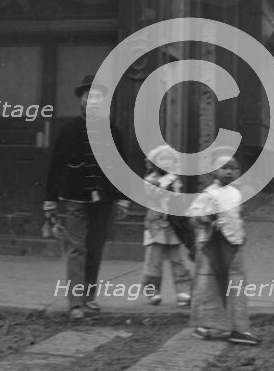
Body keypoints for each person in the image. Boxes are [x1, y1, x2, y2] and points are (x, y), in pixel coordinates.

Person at [43, 74, 130, 320]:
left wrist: (122, 198)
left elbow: (121, 167)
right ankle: (75, 303)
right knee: (77, 249)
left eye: (98, 97)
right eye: (87, 96)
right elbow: (55, 167)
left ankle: (89, 296)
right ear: (80, 100)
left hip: (103, 200)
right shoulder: (67, 131)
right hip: (75, 198)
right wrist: (50, 200)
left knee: (95, 248)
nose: (92, 101)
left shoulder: (114, 131)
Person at [186, 152, 260, 346]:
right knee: (209, 286)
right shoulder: (208, 194)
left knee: (236, 284)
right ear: (214, 172)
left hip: (233, 246)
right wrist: (205, 219)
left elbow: (236, 217)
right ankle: (206, 324)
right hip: (212, 246)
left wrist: (241, 234)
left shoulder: (236, 194)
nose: (229, 172)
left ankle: (239, 327)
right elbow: (193, 216)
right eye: (224, 168)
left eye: (233, 168)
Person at [141, 145, 192, 306]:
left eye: (169, 159)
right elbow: (154, 195)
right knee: (153, 261)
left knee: (177, 259)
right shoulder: (150, 181)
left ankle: (184, 291)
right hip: (155, 225)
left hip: (172, 225)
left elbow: (179, 200)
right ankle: (152, 292)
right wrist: (166, 184)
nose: (166, 163)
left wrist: (177, 191)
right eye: (162, 159)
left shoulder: (175, 179)